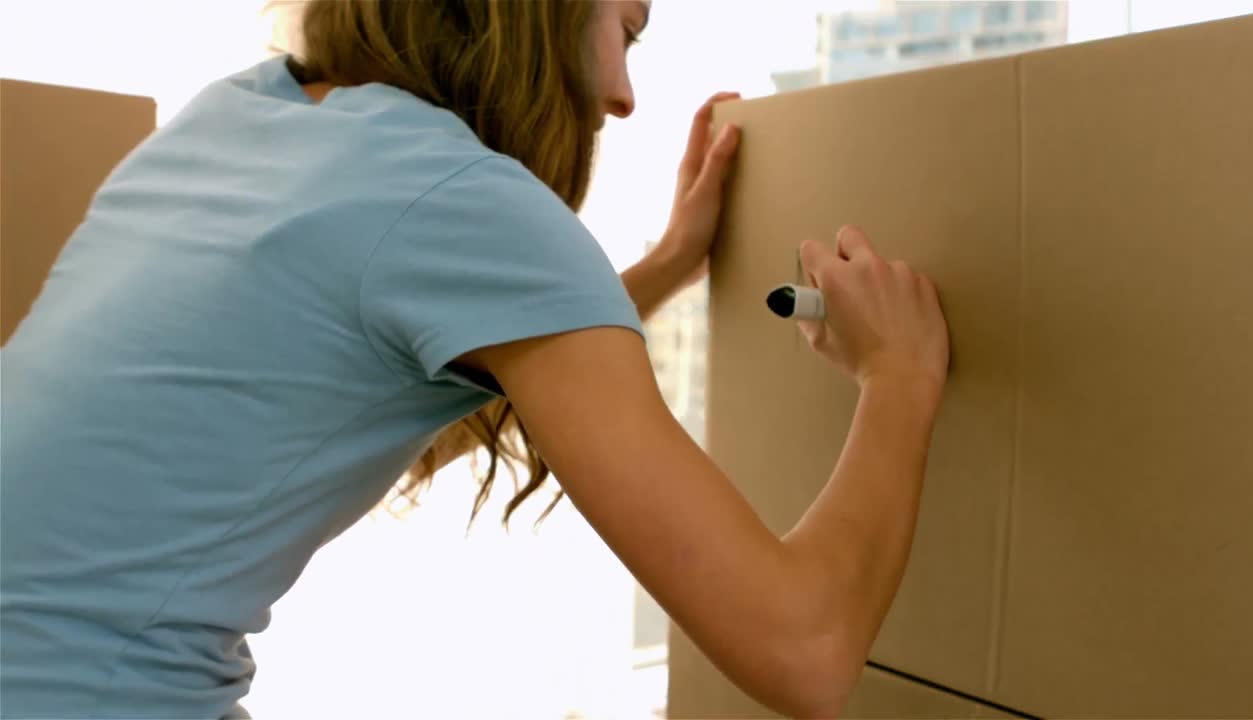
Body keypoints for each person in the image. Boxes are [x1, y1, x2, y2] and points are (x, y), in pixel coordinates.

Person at [0, 0, 950, 717]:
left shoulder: (240, 117)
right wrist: (899, 376)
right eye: (627, 30)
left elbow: (321, 425)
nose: (623, 96)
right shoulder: (461, 199)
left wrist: (666, 263)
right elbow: (805, 651)